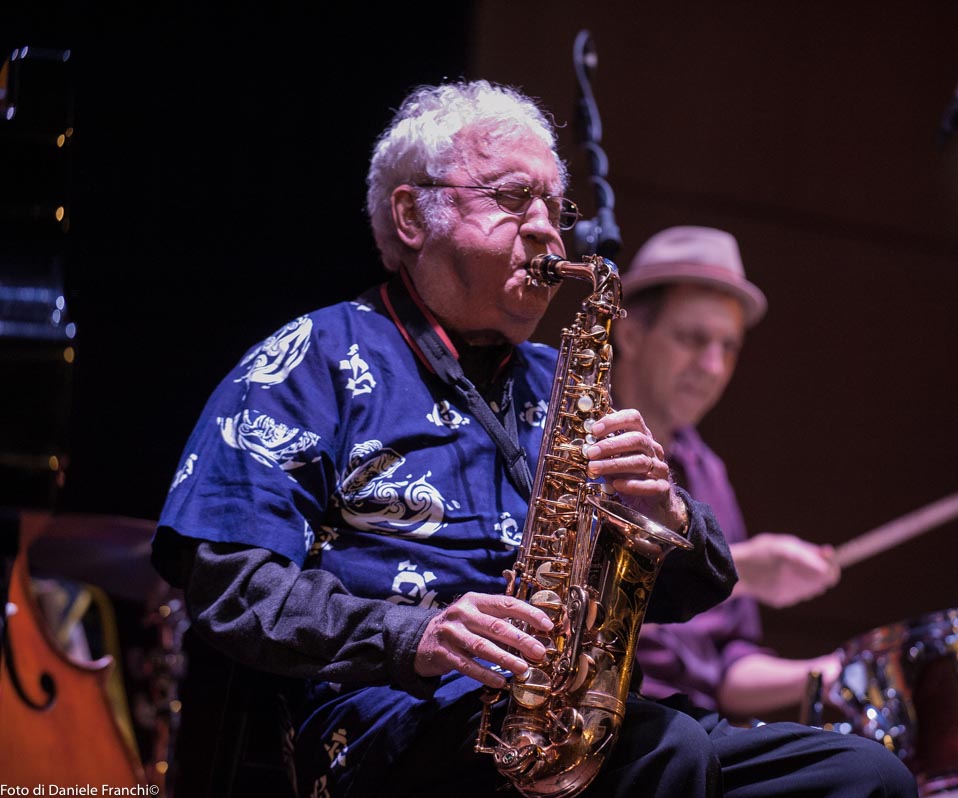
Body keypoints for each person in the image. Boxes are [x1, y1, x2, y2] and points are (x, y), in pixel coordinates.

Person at [152, 80, 917, 797]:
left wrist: (666, 514)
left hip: (569, 721)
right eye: (514, 199)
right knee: (666, 755)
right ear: (414, 216)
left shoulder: (559, 380)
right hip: (382, 721)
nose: (549, 230)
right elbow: (226, 585)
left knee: (861, 775)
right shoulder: (307, 360)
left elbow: (695, 590)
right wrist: (417, 634)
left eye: (555, 205)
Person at [618, 226, 846, 722]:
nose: (714, 366)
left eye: (729, 346)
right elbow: (580, 595)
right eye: (693, 339)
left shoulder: (708, 471)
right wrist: (741, 570)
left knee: (865, 772)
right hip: (611, 714)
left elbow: (729, 671)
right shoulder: (573, 445)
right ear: (631, 334)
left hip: (697, 723)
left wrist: (832, 670)